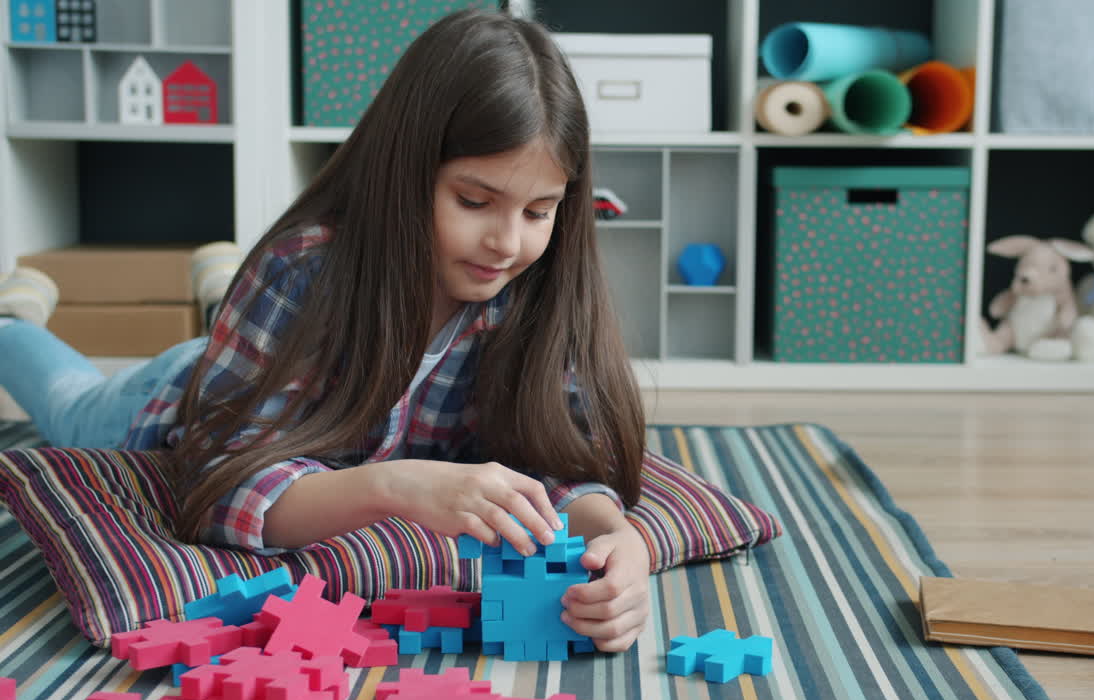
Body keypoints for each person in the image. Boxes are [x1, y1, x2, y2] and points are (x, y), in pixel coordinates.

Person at [0, 9, 652, 653]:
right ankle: (13, 320)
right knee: (69, 400)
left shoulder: (535, 290)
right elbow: (216, 485)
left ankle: (219, 288)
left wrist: (615, 537)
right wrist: (395, 486)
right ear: (405, 172)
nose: (507, 243)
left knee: (237, 324)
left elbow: (564, 460)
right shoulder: (302, 270)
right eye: (474, 202)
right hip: (180, 393)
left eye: (539, 211)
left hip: (265, 359)